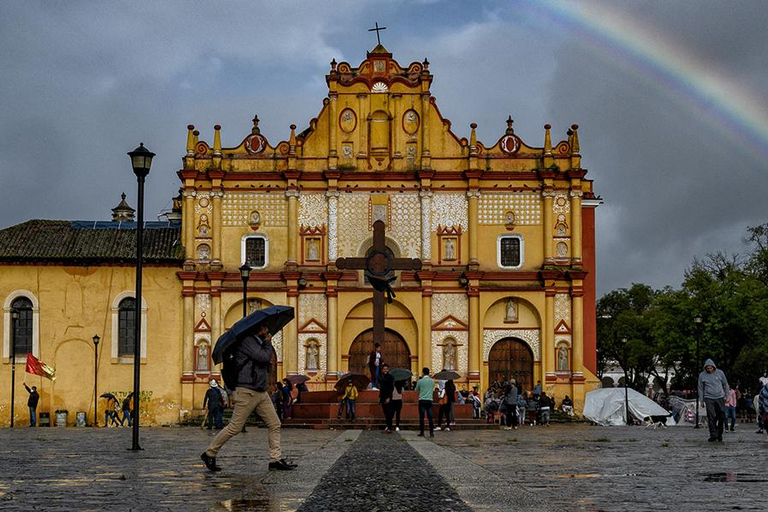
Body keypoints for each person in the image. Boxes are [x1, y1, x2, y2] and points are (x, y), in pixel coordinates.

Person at [201, 324, 296, 472]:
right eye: (265, 328)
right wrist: (267, 341)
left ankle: (275, 459)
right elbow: (263, 357)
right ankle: (209, 453)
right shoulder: (247, 341)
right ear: (258, 328)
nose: (267, 329)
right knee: (235, 427)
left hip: (260, 391)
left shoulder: (256, 341)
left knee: (274, 423)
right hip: (247, 390)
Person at [697, 359, 730, 442]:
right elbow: (700, 388)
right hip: (709, 398)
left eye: (710, 368)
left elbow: (725, 384)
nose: (709, 370)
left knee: (721, 416)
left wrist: (728, 395)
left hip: (720, 397)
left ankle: (719, 433)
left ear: (713, 367)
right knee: (711, 417)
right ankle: (713, 435)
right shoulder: (702, 375)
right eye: (707, 368)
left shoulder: (720, 373)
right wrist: (701, 400)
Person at [415, 367, 435, 437]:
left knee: (422, 417)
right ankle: (431, 432)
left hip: (422, 400)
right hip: (429, 400)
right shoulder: (432, 381)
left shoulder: (420, 381)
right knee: (430, 417)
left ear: (423, 373)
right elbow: (432, 388)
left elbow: (416, 390)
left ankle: (422, 432)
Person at [378, 364, 395, 432]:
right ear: (382, 370)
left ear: (388, 370)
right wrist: (379, 397)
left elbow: (391, 388)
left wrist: (388, 397)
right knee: (385, 413)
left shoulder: (390, 377)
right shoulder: (382, 377)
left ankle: (390, 427)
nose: (385, 370)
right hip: (383, 396)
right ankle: (388, 426)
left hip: (388, 396)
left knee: (389, 413)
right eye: (384, 369)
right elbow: (381, 389)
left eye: (386, 369)